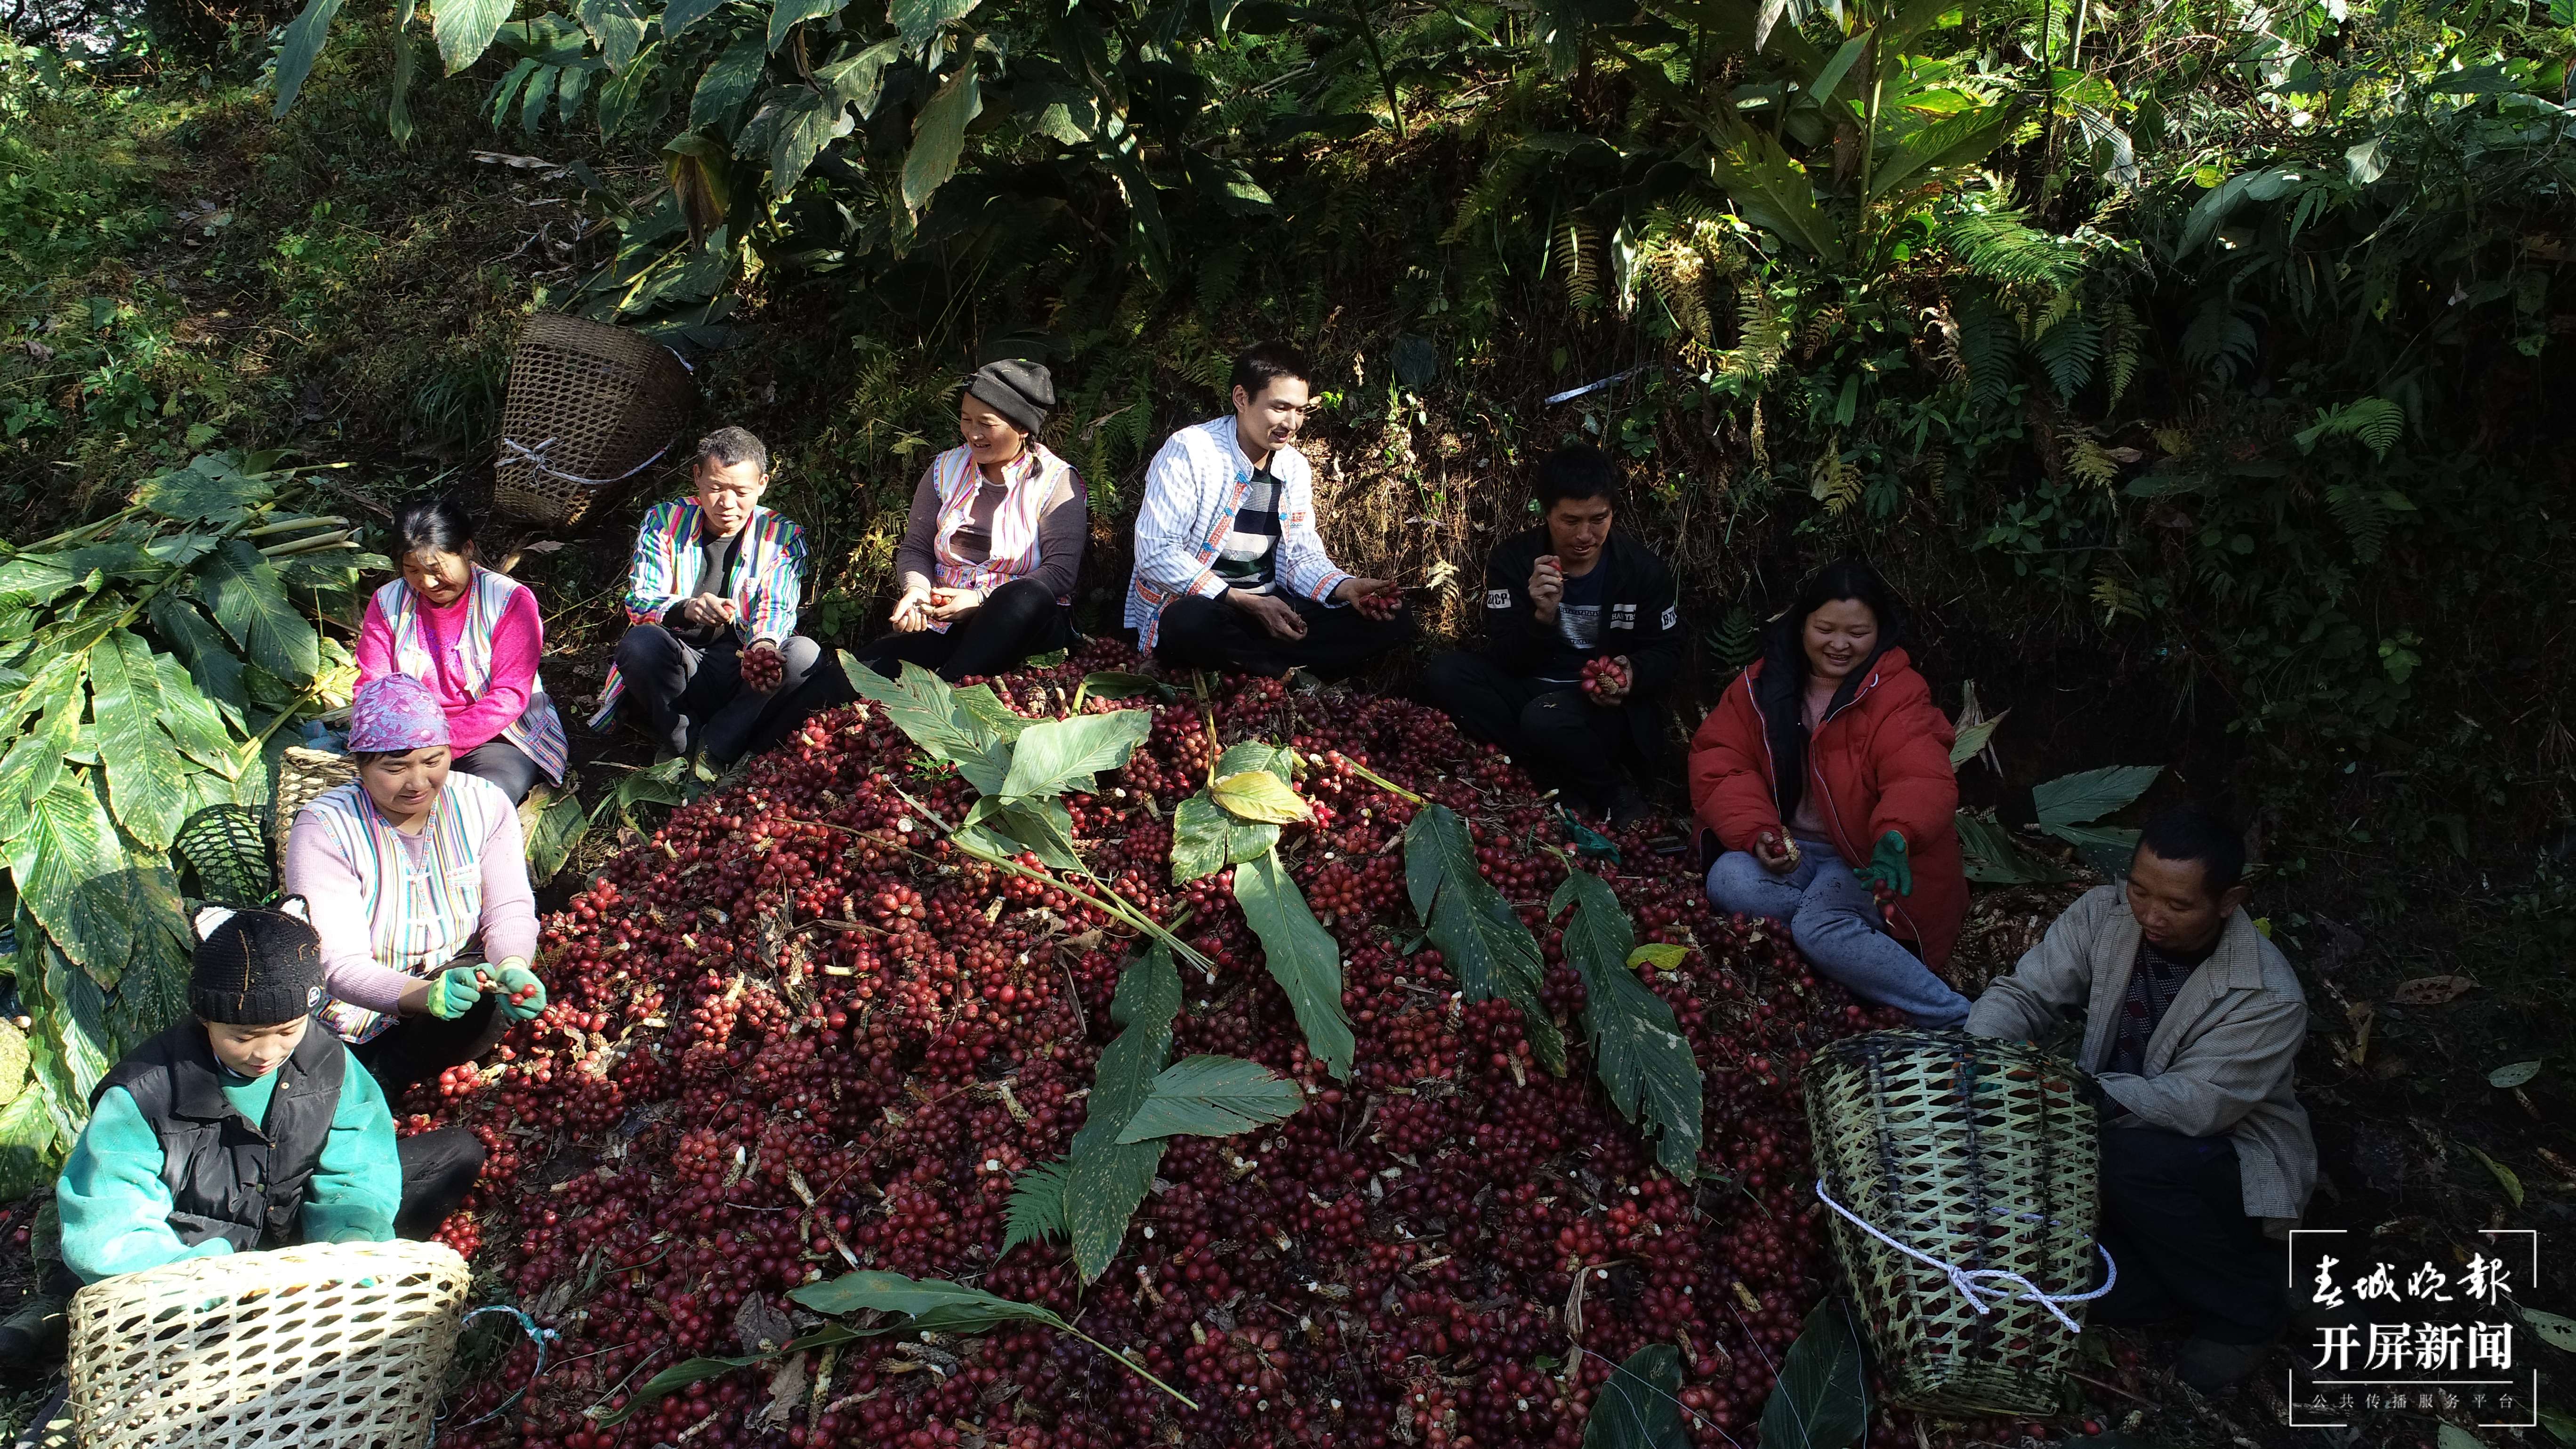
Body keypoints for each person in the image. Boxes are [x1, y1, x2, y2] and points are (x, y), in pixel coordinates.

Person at [0, 904, 484, 1371]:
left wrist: (347, 1250)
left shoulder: (329, 1065)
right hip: (190, 1270)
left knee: (454, 1155)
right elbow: (111, 1232)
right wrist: (215, 1283)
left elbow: (356, 1175)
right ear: (205, 1017)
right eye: (243, 1035)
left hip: (283, 1247)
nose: (266, 1052)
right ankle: (58, 1314)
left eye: (287, 1030)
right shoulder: (142, 1096)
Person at [1965, 806, 2313, 1393]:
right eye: (2139, 890)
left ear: (2229, 901)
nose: (2151, 916)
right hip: (2111, 1136)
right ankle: (2235, 1273)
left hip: (2222, 1159)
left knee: (2134, 1166)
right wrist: (1981, 1059)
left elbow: (2197, 1105)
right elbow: (2025, 996)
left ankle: (2246, 1316)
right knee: (2076, 1276)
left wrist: (2077, 1096)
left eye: (2178, 906)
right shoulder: (2103, 915)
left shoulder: (2267, 995)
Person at [1689, 560, 1972, 1026]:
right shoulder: (1762, 686)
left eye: (1857, 633)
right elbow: (1722, 760)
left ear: (1879, 632)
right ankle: (1843, 945)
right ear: (1802, 625)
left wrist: (1897, 834)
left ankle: (1952, 1013)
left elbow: (1920, 774)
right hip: (1796, 853)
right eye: (1826, 629)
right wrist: (1758, 832)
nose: (1840, 645)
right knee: (1728, 880)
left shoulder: (1898, 693)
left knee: (1818, 926)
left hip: (1864, 859)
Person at [284, 676, 549, 1101]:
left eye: (433, 760)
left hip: (454, 979)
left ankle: (400, 1073)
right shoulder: (326, 828)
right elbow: (338, 965)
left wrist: (514, 966)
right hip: (355, 1010)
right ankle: (383, 1075)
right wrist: (424, 997)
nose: (418, 782)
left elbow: (509, 908)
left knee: (487, 997)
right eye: (394, 767)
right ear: (360, 766)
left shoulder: (483, 803)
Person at [1422, 443, 1680, 826]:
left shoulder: (1640, 570)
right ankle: (1557, 774)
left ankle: (1612, 793)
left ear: (1613, 512)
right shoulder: (1513, 560)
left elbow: (1670, 651)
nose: (1585, 535)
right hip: (1530, 685)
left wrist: (1631, 673)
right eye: (1570, 521)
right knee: (1444, 674)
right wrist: (1541, 617)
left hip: (1595, 708)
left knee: (1546, 718)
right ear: (1547, 513)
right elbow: (1505, 656)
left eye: (1599, 519)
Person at [1127, 341, 1410, 678]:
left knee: (1398, 620)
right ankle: (1284, 674)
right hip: (1214, 605)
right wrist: (1247, 602)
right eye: (1280, 408)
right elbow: (1156, 554)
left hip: (1270, 610)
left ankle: (1256, 667)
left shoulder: (1294, 467)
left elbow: (1300, 558)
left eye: (1301, 411)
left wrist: (1345, 587)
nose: (1291, 423)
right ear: (1242, 399)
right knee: (1188, 621)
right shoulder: (1190, 451)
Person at [597, 427, 827, 764]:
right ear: (697, 477)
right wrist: (686, 609)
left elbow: (777, 604)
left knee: (804, 654)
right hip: (683, 665)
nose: (727, 504)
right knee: (641, 643)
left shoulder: (783, 535)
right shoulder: (664, 521)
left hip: (743, 673)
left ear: (763, 484)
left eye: (741, 492)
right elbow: (641, 600)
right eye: (716, 488)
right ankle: (682, 740)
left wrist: (763, 645)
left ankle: (718, 744)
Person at [853, 361, 1088, 682]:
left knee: (1025, 596)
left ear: (1023, 429)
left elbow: (1060, 573)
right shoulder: (944, 469)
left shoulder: (1057, 481)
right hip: (945, 622)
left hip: (1020, 628)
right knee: (853, 671)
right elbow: (916, 548)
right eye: (966, 420)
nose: (973, 434)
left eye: (986, 424)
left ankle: (948, 685)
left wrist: (981, 600)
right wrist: (918, 591)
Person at [355, 499, 568, 805]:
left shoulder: (509, 601)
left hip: (497, 738)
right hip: (405, 742)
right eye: (412, 570)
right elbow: (372, 686)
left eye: (436, 569)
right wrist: (396, 744)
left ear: (467, 550)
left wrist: (439, 744)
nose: (426, 582)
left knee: (480, 799)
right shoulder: (387, 602)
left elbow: (509, 696)